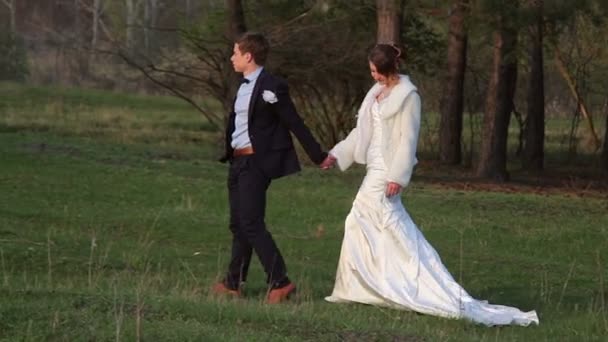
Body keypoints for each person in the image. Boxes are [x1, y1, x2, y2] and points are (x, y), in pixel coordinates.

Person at [319, 44, 539, 326]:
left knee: (372, 221)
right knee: (364, 223)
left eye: (376, 71)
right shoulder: (375, 92)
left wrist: (397, 177)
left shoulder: (408, 96)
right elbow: (361, 131)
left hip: (386, 170)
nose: (373, 76)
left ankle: (419, 286)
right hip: (373, 164)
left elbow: (408, 140)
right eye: (371, 71)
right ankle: (365, 285)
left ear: (389, 69)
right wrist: (336, 154)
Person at [214, 32, 328, 303]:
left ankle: (280, 281)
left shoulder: (272, 86)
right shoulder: (241, 87)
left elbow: (294, 122)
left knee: (251, 222)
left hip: (256, 163)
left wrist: (318, 155)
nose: (232, 58)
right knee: (238, 224)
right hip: (237, 162)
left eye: (235, 53)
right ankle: (233, 282)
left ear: (248, 56)